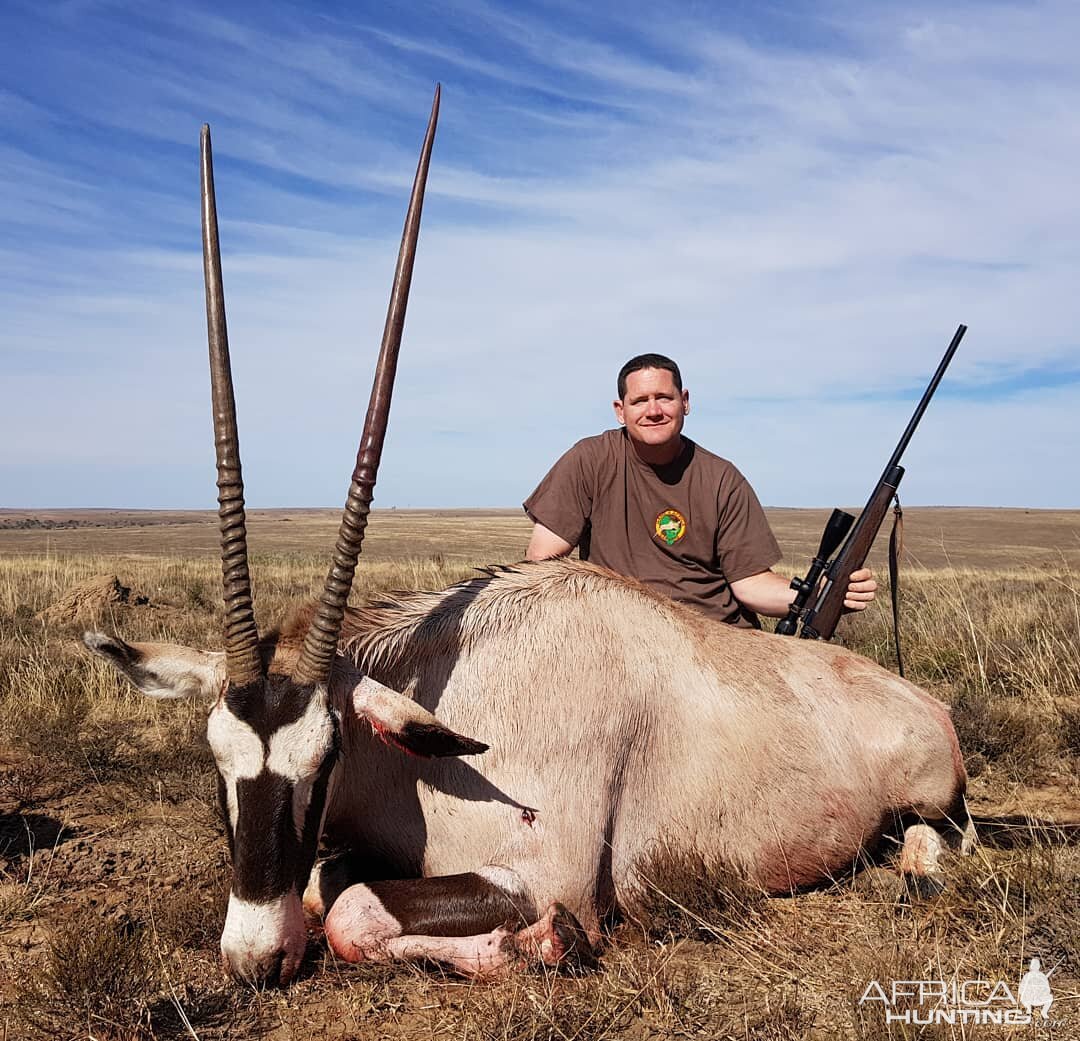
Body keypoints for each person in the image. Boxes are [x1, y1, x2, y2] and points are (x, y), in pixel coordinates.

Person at [523, 353, 877, 628]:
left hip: (714, 640)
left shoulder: (722, 479)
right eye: (640, 400)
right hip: (619, 637)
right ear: (620, 411)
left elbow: (750, 584)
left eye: (665, 397)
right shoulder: (589, 459)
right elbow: (541, 561)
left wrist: (821, 595)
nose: (654, 410)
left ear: (685, 402)